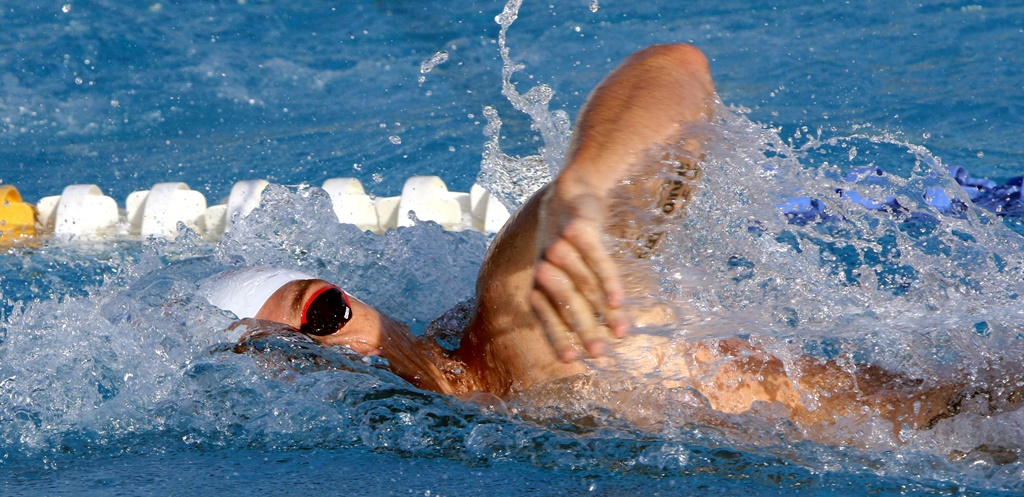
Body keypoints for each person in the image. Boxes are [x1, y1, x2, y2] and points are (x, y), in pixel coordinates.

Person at [202, 44, 1016, 439]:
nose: (319, 358)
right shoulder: (491, 404)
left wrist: (589, 187)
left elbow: (676, 71)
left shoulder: (514, 323)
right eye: (278, 363)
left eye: (321, 315)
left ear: (356, 297)